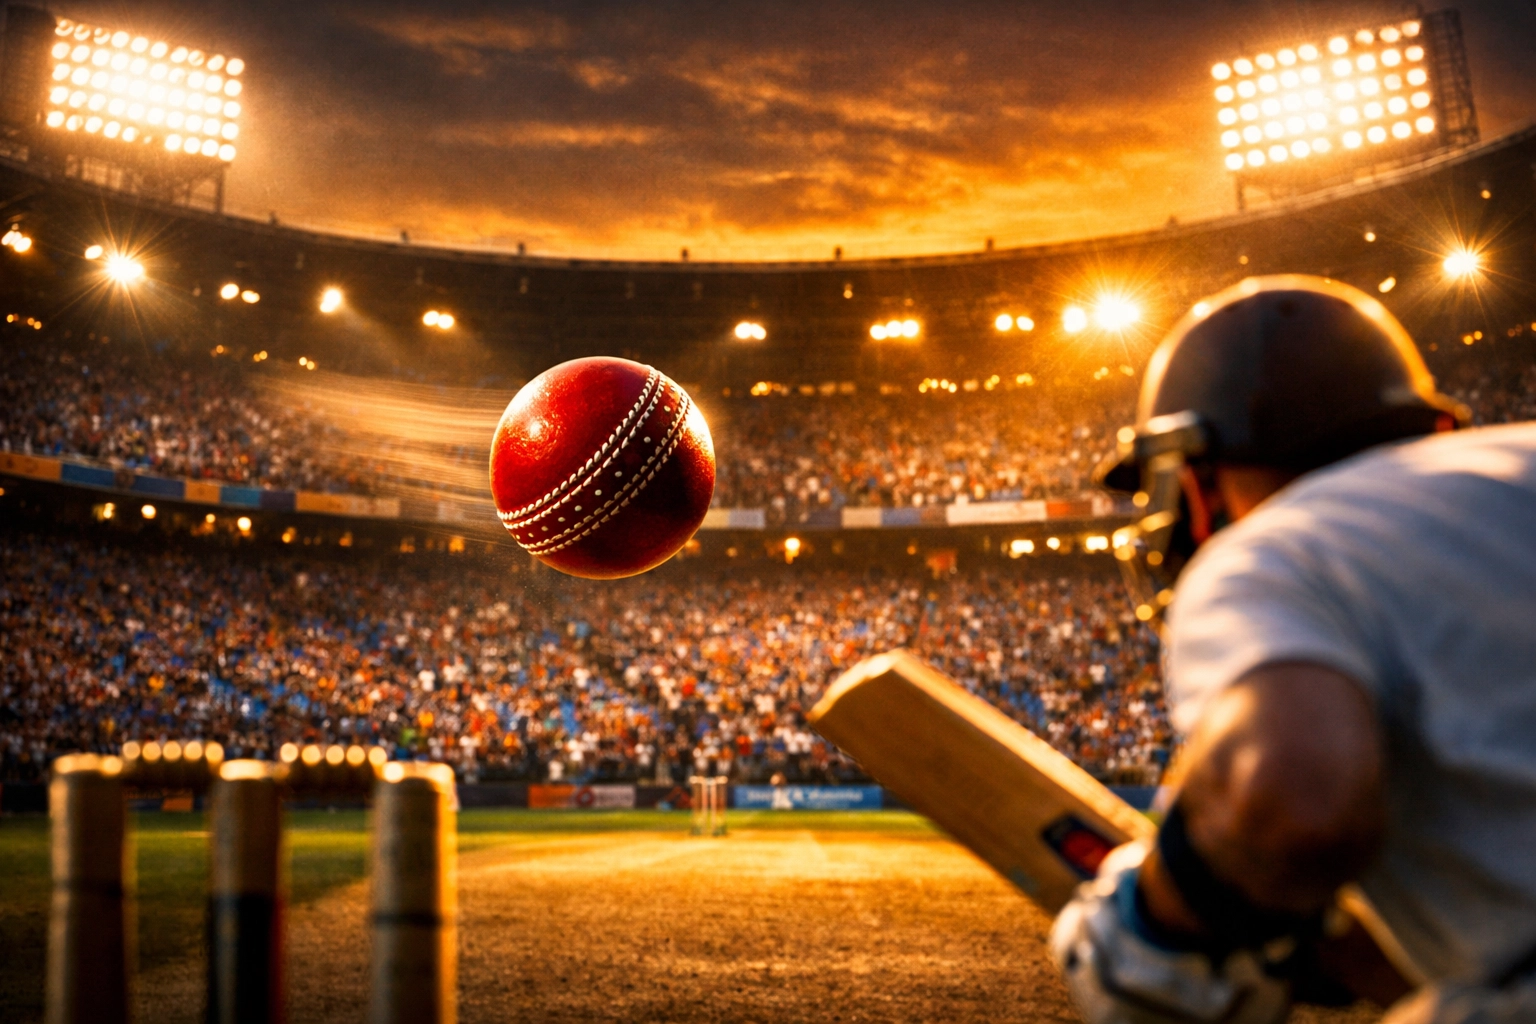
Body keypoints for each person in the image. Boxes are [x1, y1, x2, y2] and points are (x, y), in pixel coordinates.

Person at [1049, 275, 1536, 1023]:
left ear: (1203, 483)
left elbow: (1294, 807)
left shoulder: (1278, 547)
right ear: (1432, 428)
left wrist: (1162, 933)